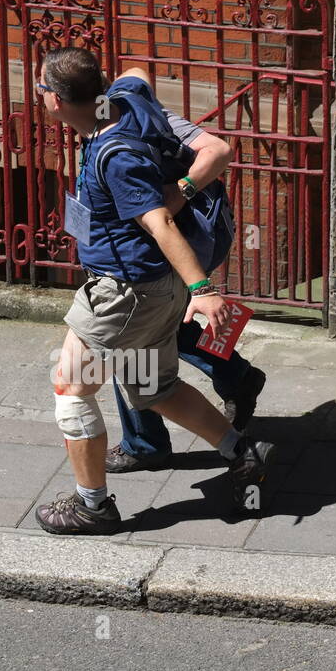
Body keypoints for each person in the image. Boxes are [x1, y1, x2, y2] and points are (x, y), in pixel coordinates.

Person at [33, 47, 274, 536]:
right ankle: (243, 452)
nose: (38, 95)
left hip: (123, 295)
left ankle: (92, 506)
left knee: (71, 390)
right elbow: (139, 69)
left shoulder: (115, 156)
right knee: (153, 387)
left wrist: (203, 290)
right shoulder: (126, 97)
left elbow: (160, 221)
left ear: (56, 101)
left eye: (41, 88)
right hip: (154, 288)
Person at [106, 104, 266, 473]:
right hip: (157, 250)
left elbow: (219, 150)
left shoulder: (139, 114)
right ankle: (237, 377)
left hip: (169, 248)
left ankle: (145, 443)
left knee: (130, 340)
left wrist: (180, 191)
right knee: (166, 326)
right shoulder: (104, 122)